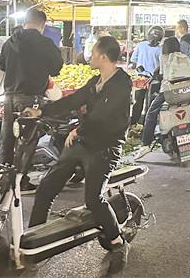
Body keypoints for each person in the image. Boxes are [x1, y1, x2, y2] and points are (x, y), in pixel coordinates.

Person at [24, 35, 132, 274]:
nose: (89, 56)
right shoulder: (95, 81)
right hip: (83, 143)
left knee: (93, 199)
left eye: (93, 53)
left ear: (103, 56)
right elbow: (73, 100)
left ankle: (118, 242)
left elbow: (103, 114)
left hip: (106, 147)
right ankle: (34, 241)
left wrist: (78, 129)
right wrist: (41, 111)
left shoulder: (122, 83)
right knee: (46, 188)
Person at [0, 8, 63, 192]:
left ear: (25, 21)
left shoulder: (9, 42)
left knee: (7, 138)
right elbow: (56, 68)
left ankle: (5, 178)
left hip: (9, 97)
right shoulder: (45, 43)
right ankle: (20, 181)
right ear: (42, 25)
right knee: (26, 141)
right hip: (30, 99)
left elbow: (2, 66)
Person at [134, 38, 190, 158]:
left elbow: (163, 75)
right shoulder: (185, 57)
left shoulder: (164, 57)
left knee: (151, 113)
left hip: (170, 93)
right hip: (188, 92)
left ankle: (145, 145)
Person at [129, 26, 163, 126]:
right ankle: (146, 124)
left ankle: (134, 123)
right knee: (149, 103)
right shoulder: (160, 49)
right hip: (152, 79)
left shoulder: (141, 45)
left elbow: (133, 61)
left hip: (141, 78)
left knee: (138, 102)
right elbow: (162, 65)